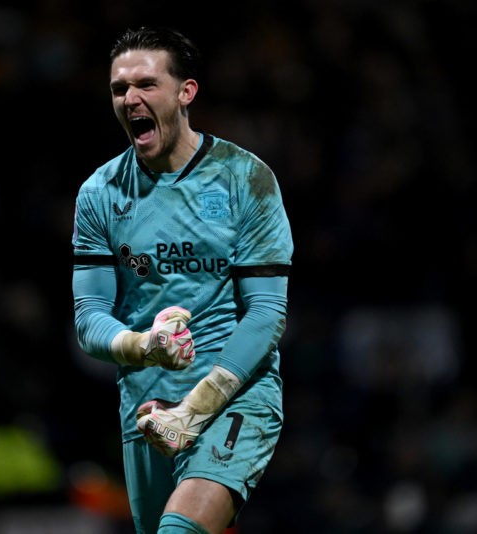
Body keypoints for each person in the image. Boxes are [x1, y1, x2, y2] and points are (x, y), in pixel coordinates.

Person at [71, 26, 293, 534]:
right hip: (146, 411)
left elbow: (266, 313)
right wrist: (144, 344)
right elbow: (89, 319)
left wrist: (195, 410)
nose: (131, 99)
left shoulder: (245, 179)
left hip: (233, 398)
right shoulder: (99, 194)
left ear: (185, 92)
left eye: (146, 85)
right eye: (119, 89)